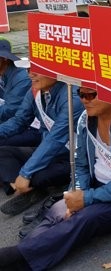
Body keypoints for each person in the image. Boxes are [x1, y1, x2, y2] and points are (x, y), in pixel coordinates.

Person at [0, 87, 111, 270]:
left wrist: (86, 199)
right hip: (99, 184)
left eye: (91, 94)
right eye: (81, 94)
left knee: (86, 218)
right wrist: (77, 193)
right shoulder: (85, 119)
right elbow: (81, 164)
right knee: (60, 210)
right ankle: (26, 252)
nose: (84, 99)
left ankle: (15, 258)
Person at [0, 65, 83, 216]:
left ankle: (27, 184)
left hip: (71, 155)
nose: (31, 75)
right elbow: (19, 121)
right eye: (29, 69)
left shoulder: (72, 96)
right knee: (3, 152)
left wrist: (26, 173)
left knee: (37, 174)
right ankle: (20, 186)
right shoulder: (35, 90)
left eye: (38, 69)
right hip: (46, 149)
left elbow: (56, 138)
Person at [0, 39, 41, 147]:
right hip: (16, 122)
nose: (31, 75)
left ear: (4, 58)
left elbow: (10, 110)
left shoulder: (23, 79)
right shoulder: (5, 75)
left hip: (33, 128)